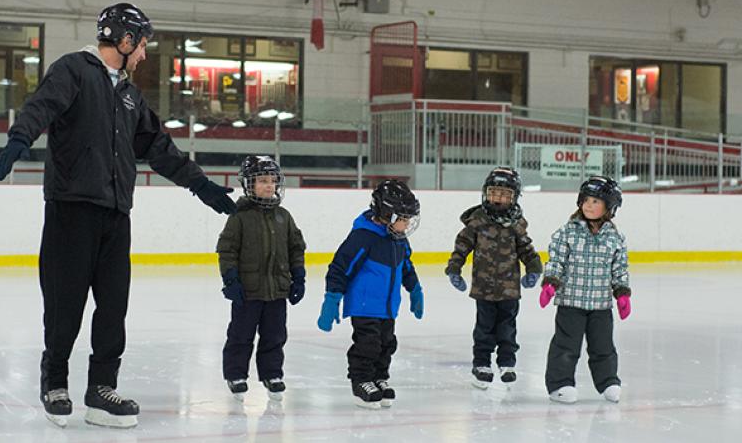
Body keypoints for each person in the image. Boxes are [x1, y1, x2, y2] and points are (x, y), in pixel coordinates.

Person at [0, 2, 236, 428]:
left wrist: (204, 188)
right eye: (141, 46)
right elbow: (41, 107)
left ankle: (102, 389)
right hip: (72, 209)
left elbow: (161, 150)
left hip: (116, 214)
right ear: (124, 40)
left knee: (112, 307)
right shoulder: (74, 71)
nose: (143, 55)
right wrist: (18, 140)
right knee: (65, 304)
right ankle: (56, 382)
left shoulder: (129, 95)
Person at [317, 179, 424, 409]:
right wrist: (332, 299)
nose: (406, 224)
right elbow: (340, 267)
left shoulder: (398, 240)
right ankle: (361, 381)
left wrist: (415, 290)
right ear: (386, 214)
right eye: (402, 218)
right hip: (364, 304)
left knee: (387, 343)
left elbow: (406, 266)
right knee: (368, 344)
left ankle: (379, 378)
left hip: (388, 306)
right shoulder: (364, 237)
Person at [216, 155, 306, 402]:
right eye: (262, 181)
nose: (269, 186)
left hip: (277, 291)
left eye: (272, 181)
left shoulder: (283, 216)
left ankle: (272, 374)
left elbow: (296, 247)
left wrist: (299, 276)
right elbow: (227, 249)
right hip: (248, 290)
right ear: (249, 185)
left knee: (275, 335)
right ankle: (236, 374)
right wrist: (231, 279)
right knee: (241, 334)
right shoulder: (240, 216)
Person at [445, 167, 543, 389]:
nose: (498, 199)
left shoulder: (516, 224)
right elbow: (461, 247)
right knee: (484, 329)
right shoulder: (477, 221)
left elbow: (527, 250)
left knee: (507, 328)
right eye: (494, 193)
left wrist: (534, 269)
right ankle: (482, 364)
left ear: (514, 197)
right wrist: (454, 269)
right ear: (485, 193)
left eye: (504, 194)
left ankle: (507, 363)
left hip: (509, 289)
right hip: (484, 288)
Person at [540, 176, 631, 404]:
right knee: (566, 345)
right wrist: (550, 282)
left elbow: (619, 269)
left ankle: (608, 381)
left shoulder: (615, 237)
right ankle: (560, 384)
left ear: (609, 207)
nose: (589, 205)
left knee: (604, 346)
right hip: (571, 301)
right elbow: (556, 260)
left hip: (601, 304)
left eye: (596, 201)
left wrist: (622, 293)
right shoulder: (567, 232)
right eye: (586, 200)